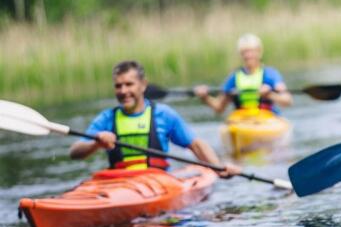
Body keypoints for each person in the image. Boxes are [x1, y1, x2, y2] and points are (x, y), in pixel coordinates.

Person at [69, 60, 240, 177]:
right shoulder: (107, 118)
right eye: (118, 86)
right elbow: (75, 152)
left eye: (129, 84)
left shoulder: (164, 114)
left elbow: (195, 144)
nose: (123, 91)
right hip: (118, 182)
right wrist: (95, 143)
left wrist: (218, 167)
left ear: (143, 85)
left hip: (156, 181)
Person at [194, 33, 293, 114]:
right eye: (244, 52)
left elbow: (287, 100)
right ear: (240, 54)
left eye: (252, 51)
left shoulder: (270, 75)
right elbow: (219, 107)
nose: (248, 55)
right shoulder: (234, 78)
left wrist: (270, 95)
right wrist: (205, 97)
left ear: (259, 52)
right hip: (242, 121)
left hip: (267, 119)